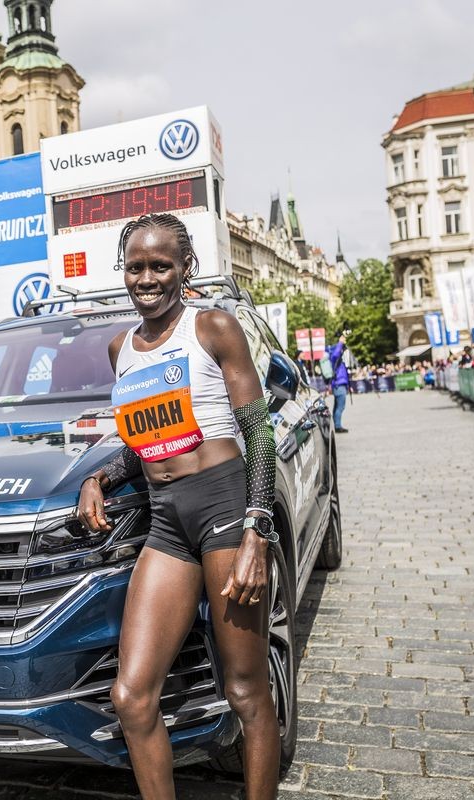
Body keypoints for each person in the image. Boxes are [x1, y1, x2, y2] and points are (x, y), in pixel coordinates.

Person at [76, 214, 279, 799]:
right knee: (131, 696)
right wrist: (101, 478)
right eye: (136, 266)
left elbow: (258, 434)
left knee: (244, 690)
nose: (147, 278)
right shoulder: (123, 349)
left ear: (184, 267)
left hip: (223, 506)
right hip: (167, 520)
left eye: (160, 265)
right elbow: (145, 447)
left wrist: (255, 535)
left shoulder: (213, 327)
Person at [328, 334, 350, 432]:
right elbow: (336, 353)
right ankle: (337, 426)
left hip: (340, 385)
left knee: (337, 406)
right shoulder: (334, 359)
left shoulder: (339, 363)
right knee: (340, 406)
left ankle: (336, 425)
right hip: (339, 385)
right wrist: (340, 342)